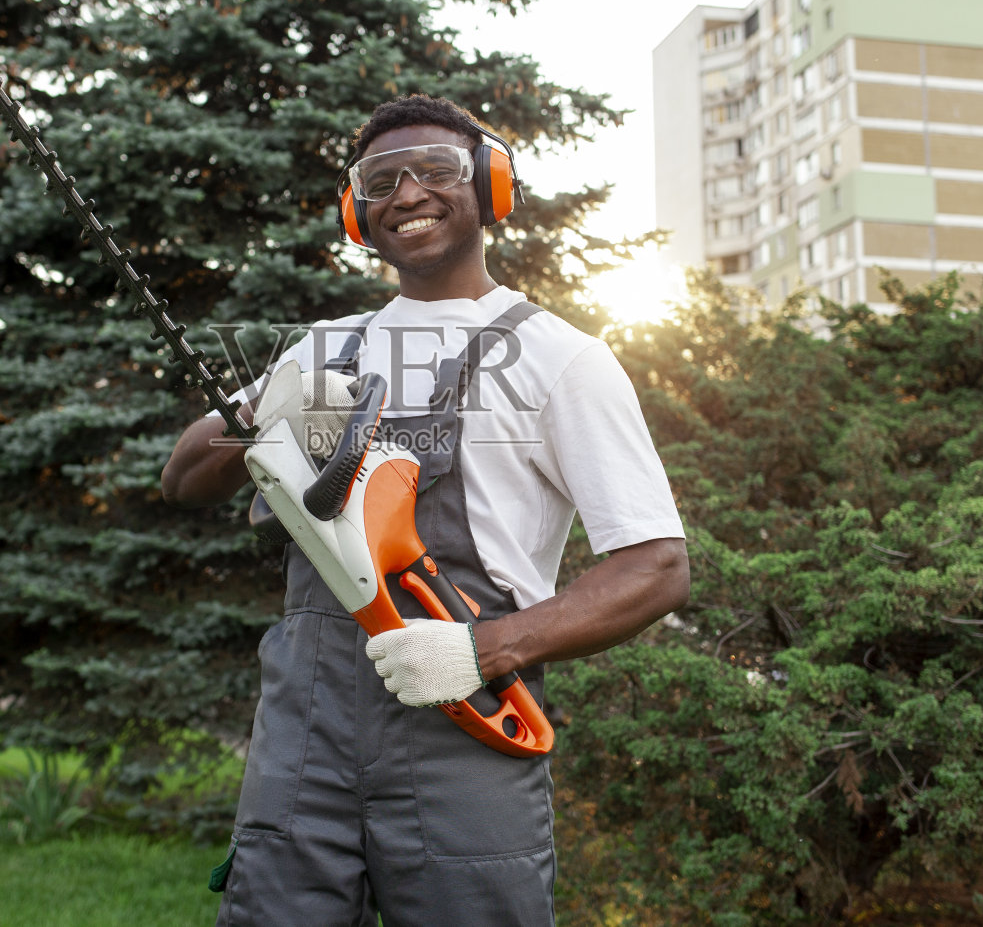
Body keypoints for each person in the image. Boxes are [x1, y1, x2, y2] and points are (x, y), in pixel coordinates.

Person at [162, 94, 689, 927]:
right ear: (357, 211)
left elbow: (656, 566)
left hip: (466, 732)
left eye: (436, 170)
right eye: (382, 180)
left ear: (490, 186)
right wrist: (263, 406)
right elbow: (183, 478)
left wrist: (485, 646)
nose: (408, 192)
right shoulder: (322, 347)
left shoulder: (563, 357)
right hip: (304, 739)